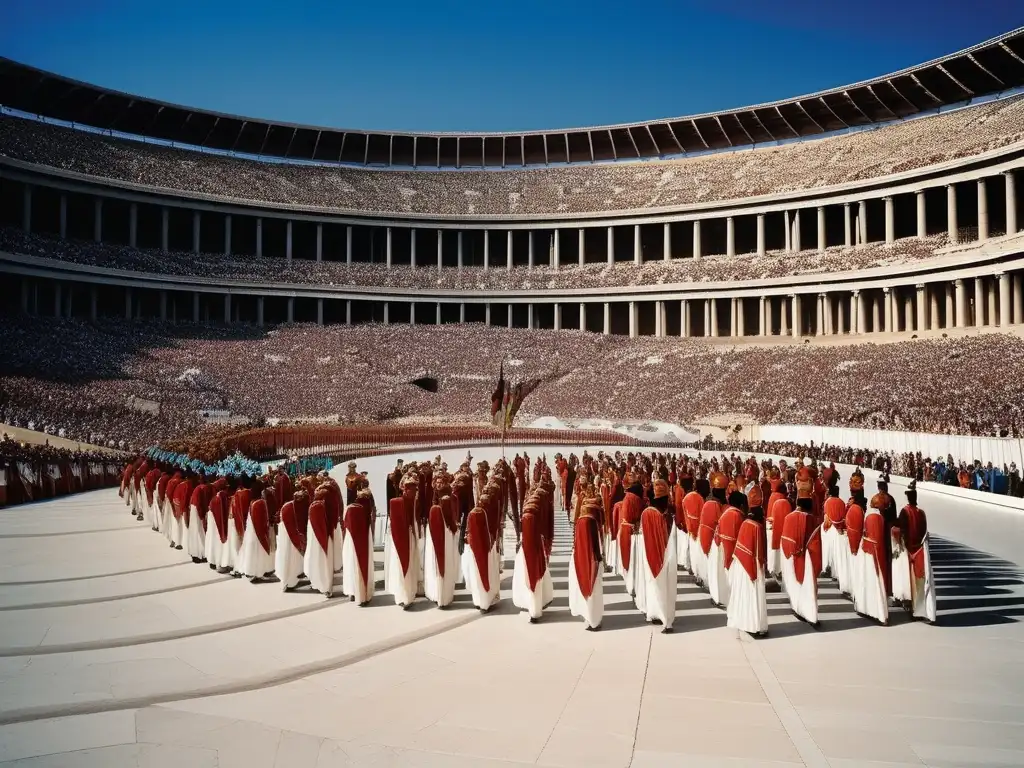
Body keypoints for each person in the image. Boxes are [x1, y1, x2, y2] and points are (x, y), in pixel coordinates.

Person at [779, 472, 822, 626]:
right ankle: (809, 614)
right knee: (808, 587)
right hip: (808, 560)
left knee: (796, 585)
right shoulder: (813, 520)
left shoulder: (788, 518)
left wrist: (793, 553)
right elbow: (817, 545)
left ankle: (798, 608)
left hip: (792, 557)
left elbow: (784, 541)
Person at [892, 480, 937, 623]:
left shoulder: (905, 512)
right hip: (920, 550)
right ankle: (920, 608)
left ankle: (911, 606)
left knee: (909, 581)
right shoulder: (921, 513)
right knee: (921, 581)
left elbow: (901, 529)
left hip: (909, 550)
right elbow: (924, 530)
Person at [727, 485, 769, 637]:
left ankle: (748, 623)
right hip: (752, 566)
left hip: (743, 564)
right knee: (752, 595)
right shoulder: (756, 526)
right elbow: (758, 554)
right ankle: (754, 625)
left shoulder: (746, 523)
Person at [854, 492, 891, 625]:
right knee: (875, 582)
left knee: (865, 580)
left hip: (866, 552)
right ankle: (879, 612)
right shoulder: (878, 518)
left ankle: (865, 607)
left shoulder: (869, 515)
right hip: (874, 554)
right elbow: (879, 541)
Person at [569, 497, 604, 630]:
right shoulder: (593, 523)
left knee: (585, 588)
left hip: (580, 560)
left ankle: (589, 617)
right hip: (593, 560)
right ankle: (594, 619)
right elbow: (596, 546)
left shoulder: (580, 522)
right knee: (594, 588)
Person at [640, 503, 676, 631]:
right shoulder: (666, 514)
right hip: (663, 555)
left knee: (652, 583)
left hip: (651, 554)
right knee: (663, 585)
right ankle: (660, 614)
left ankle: (656, 614)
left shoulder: (646, 513)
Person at [513, 500, 547, 622]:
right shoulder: (538, 540)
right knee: (536, 583)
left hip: (526, 553)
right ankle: (535, 610)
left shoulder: (526, 521)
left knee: (528, 582)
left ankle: (533, 609)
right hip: (535, 554)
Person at [709, 492, 744, 609]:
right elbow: (733, 539)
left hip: (720, 547)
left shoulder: (727, 512)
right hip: (728, 550)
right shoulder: (736, 515)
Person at [463, 503, 500, 612]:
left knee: (475, 575)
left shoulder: (472, 516)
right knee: (486, 573)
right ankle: (486, 600)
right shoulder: (483, 515)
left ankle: (479, 601)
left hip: (474, 551)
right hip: (485, 549)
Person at [385, 488, 418, 608]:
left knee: (398, 566)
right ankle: (406, 595)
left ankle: (401, 596)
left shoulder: (395, 504)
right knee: (406, 565)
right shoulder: (406, 505)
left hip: (398, 540)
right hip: (406, 538)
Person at [343, 489, 376, 605]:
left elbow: (345, 524)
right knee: (359, 563)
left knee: (350, 563)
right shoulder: (364, 509)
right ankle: (361, 590)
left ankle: (352, 591)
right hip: (363, 539)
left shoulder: (350, 508)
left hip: (350, 540)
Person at [305, 485, 335, 598]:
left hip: (318, 539)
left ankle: (322, 585)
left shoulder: (316, 506)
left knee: (319, 561)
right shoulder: (319, 506)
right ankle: (322, 585)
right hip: (321, 538)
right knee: (322, 562)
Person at [277, 489, 308, 591]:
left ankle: (293, 577)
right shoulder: (292, 507)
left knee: (291, 558)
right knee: (291, 557)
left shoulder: (287, 506)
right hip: (289, 538)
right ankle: (289, 581)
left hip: (287, 538)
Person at [240, 490, 274, 583]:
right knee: (259, 551)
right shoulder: (261, 502)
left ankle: (252, 571)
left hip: (251, 531)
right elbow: (262, 520)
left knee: (252, 551)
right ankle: (258, 572)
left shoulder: (252, 502)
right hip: (258, 532)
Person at [821, 483, 846, 585]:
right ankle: (836, 573)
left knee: (828, 550)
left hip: (830, 528)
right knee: (837, 552)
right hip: (838, 529)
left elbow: (826, 516)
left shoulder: (827, 502)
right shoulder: (842, 502)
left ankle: (827, 568)